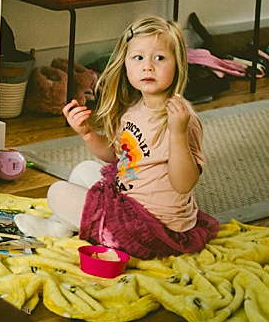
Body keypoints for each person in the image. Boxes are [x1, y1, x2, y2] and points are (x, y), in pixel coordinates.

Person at [14, 16, 220, 259]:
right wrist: (87, 133)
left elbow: (184, 184)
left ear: (178, 64)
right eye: (138, 58)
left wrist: (178, 132)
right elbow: (115, 155)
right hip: (128, 200)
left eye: (160, 58)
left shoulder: (181, 118)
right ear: (125, 64)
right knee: (83, 169)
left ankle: (64, 226)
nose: (148, 66)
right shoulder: (134, 109)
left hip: (151, 229)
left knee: (58, 192)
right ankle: (60, 225)